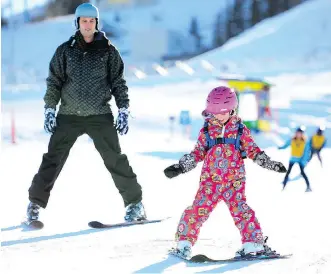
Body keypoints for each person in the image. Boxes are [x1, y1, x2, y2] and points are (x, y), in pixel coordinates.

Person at [26, 3, 146, 224]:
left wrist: (123, 108)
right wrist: (50, 108)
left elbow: (118, 83)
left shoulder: (109, 51)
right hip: (68, 115)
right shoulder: (64, 51)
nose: (88, 25)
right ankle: (34, 205)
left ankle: (135, 204)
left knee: (115, 159)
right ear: (77, 23)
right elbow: (54, 82)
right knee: (52, 160)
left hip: (99, 114)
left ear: (97, 23)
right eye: (84, 21)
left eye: (92, 21)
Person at [163, 86, 287, 259]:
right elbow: (197, 153)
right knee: (196, 211)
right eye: (215, 112)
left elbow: (253, 150)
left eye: (223, 112)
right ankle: (183, 244)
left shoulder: (240, 130)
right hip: (210, 182)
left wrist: (270, 163)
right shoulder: (206, 131)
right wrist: (181, 167)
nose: (219, 116)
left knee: (242, 212)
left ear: (232, 109)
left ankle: (253, 245)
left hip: (234, 182)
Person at [278, 126, 311, 192]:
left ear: (302, 134)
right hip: (292, 159)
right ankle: (284, 186)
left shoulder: (305, 142)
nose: (298, 134)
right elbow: (286, 145)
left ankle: (308, 186)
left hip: (300, 160)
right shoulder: (292, 140)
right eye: (297, 133)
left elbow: (307, 152)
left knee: (303, 173)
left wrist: (304, 160)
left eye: (300, 133)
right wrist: (281, 147)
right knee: (288, 172)